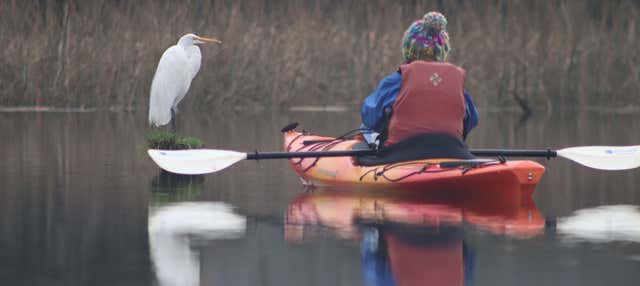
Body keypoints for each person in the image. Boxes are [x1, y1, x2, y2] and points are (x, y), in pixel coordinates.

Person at [360, 12, 478, 154]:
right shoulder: (457, 86)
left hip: (400, 155)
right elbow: (472, 120)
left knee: (365, 129)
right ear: (442, 51)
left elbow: (370, 117)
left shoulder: (396, 81)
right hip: (452, 152)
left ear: (408, 49)